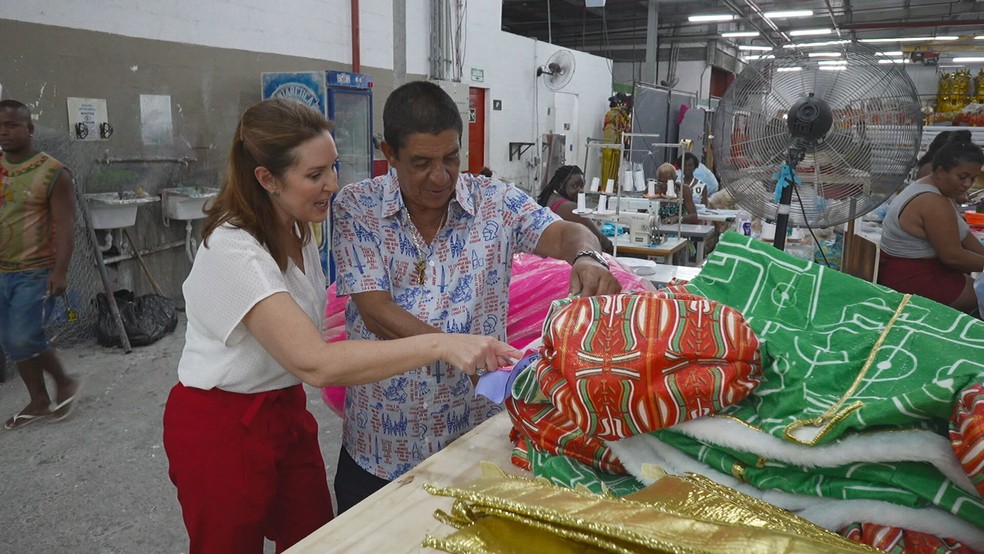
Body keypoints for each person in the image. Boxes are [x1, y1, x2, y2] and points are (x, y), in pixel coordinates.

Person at [161, 98, 519, 553]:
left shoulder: (296, 227)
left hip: (284, 411)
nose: (332, 185)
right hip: (223, 423)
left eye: (333, 168)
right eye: (314, 176)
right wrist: (443, 344)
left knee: (318, 538)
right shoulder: (234, 252)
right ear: (267, 178)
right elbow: (317, 362)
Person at [331, 80, 622, 513]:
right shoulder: (358, 207)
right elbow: (376, 312)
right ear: (388, 153)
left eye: (451, 158)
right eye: (421, 162)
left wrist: (586, 256)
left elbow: (565, 232)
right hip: (381, 448)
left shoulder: (494, 202)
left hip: (473, 440)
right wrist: (450, 346)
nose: (440, 176)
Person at [0, 99, 81, 430]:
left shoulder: (54, 173)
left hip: (35, 271)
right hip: (2, 269)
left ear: (29, 129)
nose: (4, 132)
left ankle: (64, 381)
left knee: (22, 338)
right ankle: (38, 400)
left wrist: (60, 271)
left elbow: (65, 225)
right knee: (12, 340)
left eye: (12, 125)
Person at [878, 140, 984, 314]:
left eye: (972, 178)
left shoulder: (929, 187)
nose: (967, 185)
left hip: (911, 273)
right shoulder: (933, 202)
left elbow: (965, 237)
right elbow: (953, 257)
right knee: (979, 297)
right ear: (941, 171)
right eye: (962, 177)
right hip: (913, 282)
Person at [536, 164, 614, 254]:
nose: (580, 191)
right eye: (574, 186)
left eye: (582, 186)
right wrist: (611, 248)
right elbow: (598, 237)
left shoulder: (550, 198)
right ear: (562, 184)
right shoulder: (569, 207)